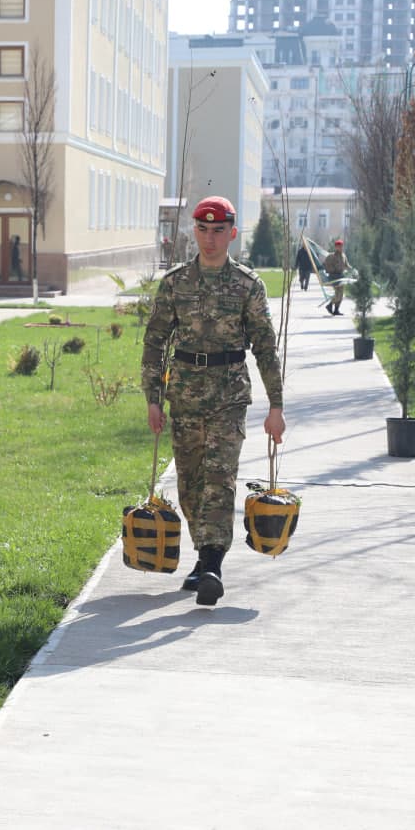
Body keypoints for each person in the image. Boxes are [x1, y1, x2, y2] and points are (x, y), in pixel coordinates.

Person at [141, 196, 286, 607]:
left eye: (218, 231)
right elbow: (155, 342)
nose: (210, 239)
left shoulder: (247, 285)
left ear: (232, 234)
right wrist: (153, 399)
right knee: (190, 484)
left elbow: (265, 347)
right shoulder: (175, 283)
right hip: (185, 395)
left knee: (220, 479)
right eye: (203, 230)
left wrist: (276, 406)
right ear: (194, 231)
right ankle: (202, 554)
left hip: (229, 395)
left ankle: (211, 564)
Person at [323, 239, 349, 315]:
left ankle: (336, 310)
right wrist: (332, 270)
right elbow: (326, 265)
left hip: (341, 277)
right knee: (338, 294)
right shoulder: (331, 256)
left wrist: (352, 269)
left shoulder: (344, 256)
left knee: (341, 295)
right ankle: (330, 305)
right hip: (334, 277)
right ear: (335, 247)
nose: (340, 248)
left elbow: (347, 265)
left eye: (341, 246)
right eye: (338, 246)